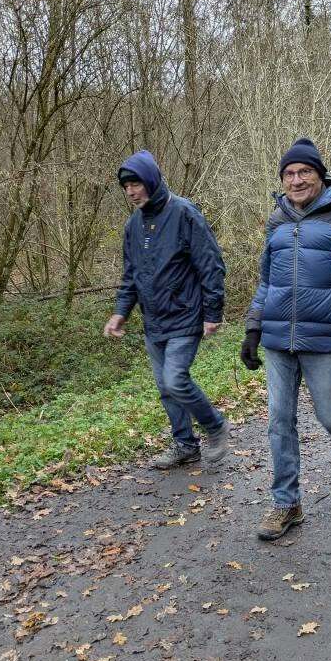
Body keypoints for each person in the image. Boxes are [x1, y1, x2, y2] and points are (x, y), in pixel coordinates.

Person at [240, 137, 331, 542]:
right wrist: (253, 328)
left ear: (320, 176)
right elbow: (267, 282)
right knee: (279, 420)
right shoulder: (276, 221)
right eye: (289, 173)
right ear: (282, 179)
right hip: (278, 338)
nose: (297, 180)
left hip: (325, 337)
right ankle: (287, 503)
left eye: (305, 172)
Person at [103, 150, 230, 468]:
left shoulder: (184, 213)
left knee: (175, 380)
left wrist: (213, 312)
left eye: (135, 184)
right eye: (126, 187)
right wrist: (121, 312)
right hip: (154, 321)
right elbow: (131, 276)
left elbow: (211, 265)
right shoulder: (133, 225)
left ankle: (215, 426)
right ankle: (185, 445)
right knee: (165, 388)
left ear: (151, 181)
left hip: (185, 315)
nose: (130, 192)